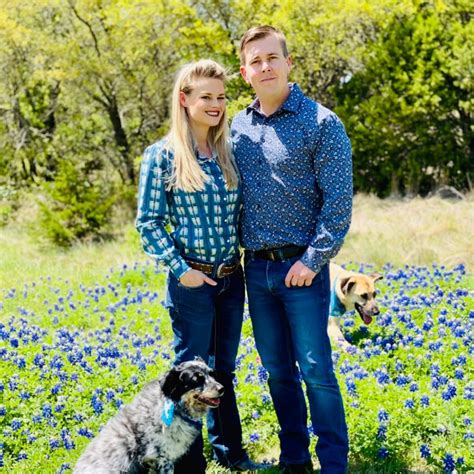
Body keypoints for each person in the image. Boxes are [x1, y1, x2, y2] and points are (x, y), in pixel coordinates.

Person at [231, 26, 353, 474]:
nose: (265, 67)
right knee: (278, 371)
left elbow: (338, 205)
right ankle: (294, 459)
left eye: (272, 58)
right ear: (245, 73)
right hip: (255, 268)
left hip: (302, 268)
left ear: (288, 63)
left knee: (316, 369)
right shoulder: (238, 126)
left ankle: (333, 463)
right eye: (255, 61)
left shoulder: (321, 122)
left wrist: (312, 260)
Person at [136, 59, 259, 473]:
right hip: (191, 279)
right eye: (206, 96)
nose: (216, 104)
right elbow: (148, 223)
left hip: (230, 277)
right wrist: (180, 269)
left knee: (222, 372)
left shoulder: (228, 152)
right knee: (191, 377)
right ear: (184, 99)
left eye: (221, 97)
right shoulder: (162, 156)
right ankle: (189, 464)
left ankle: (231, 453)